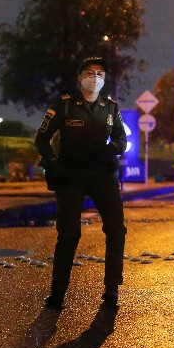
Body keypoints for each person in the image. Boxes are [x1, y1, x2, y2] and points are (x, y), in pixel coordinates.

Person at [34, 56, 128, 311]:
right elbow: (42, 139)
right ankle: (57, 293)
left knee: (116, 229)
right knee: (69, 234)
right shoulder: (64, 104)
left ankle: (112, 287)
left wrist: (112, 149)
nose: (95, 77)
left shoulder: (110, 107)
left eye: (100, 73)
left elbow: (121, 138)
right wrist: (53, 163)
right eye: (89, 72)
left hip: (102, 175)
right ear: (79, 77)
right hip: (71, 175)